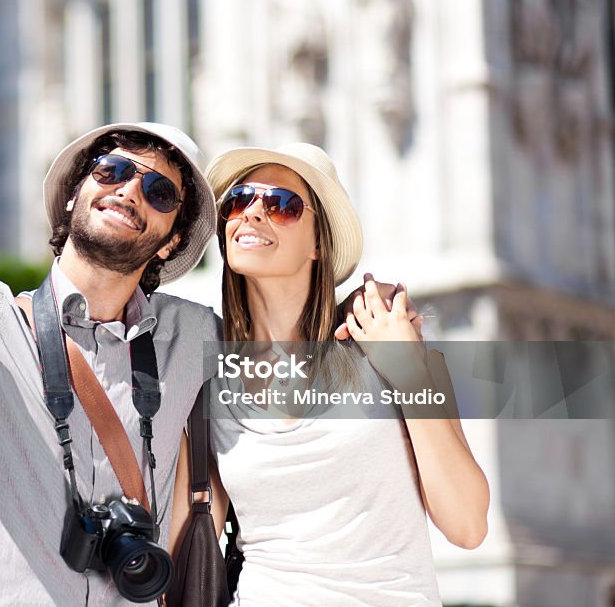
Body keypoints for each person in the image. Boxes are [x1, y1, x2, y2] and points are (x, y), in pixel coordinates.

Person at [0, 0, 412, 606]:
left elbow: (300, 374)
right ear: (76, 192)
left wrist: (387, 336)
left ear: (172, 235)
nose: (130, 188)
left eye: (160, 189)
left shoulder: (197, 338)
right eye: (110, 170)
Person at [170, 144, 490, 606]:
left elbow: (467, 524)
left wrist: (410, 373)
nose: (254, 213)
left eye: (281, 206)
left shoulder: (385, 342)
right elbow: (188, 536)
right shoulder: (212, 381)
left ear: (319, 244)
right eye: (239, 200)